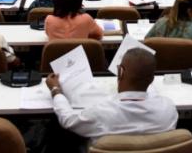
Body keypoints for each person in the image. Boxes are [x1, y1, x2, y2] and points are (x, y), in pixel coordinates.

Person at [46, 48, 178, 145]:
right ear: (152, 79)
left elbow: (68, 120)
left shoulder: (100, 113)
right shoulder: (169, 109)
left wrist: (55, 89)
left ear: (120, 72)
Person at [145, 0, 192, 65]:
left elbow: (147, 43)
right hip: (187, 73)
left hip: (161, 70)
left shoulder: (160, 22)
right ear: (189, 11)